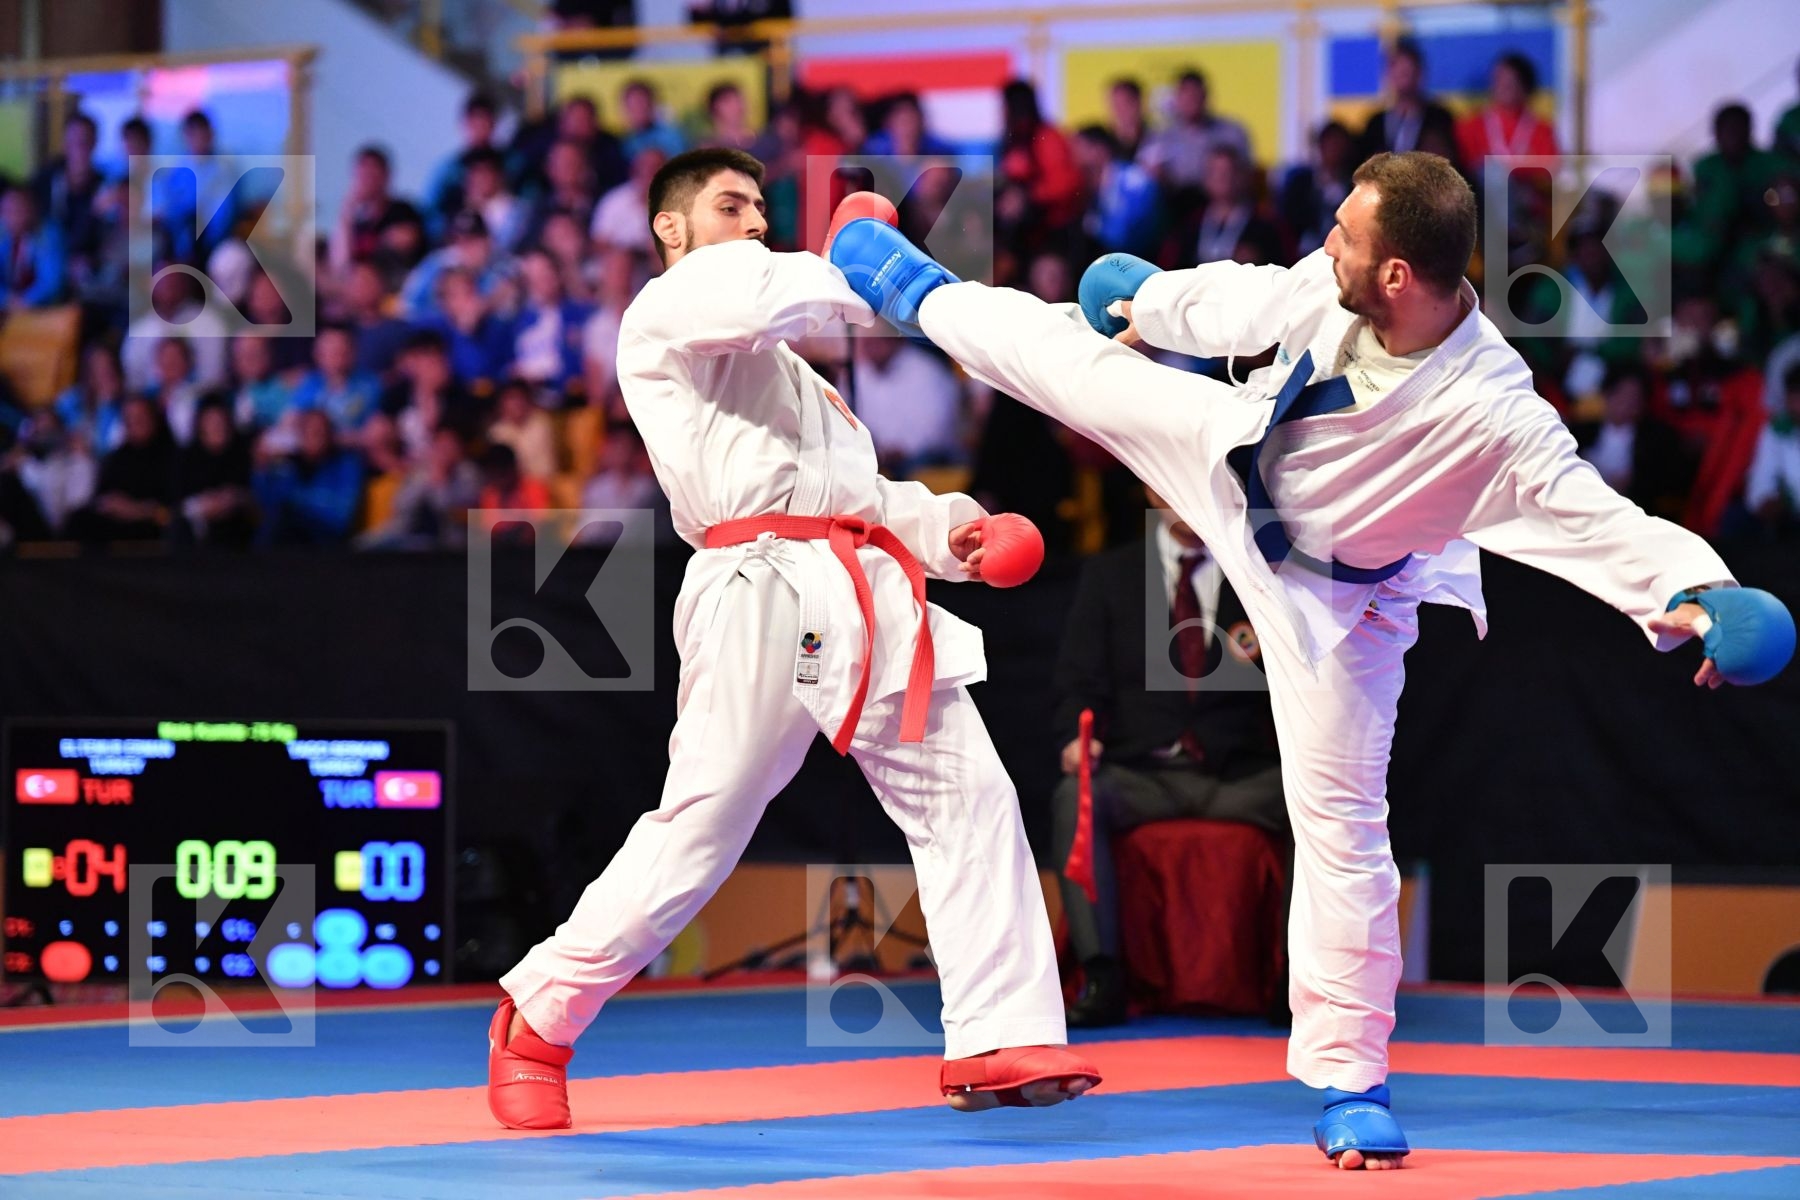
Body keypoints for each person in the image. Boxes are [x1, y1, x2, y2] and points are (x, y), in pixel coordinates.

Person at [830, 150, 1791, 1169]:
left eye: (1347, 237)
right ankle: (908, 283)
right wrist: (1153, 302)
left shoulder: (1496, 416)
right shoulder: (1339, 285)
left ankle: (1349, 1079)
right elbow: (1247, 304)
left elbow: (1595, 517)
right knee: (1075, 367)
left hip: (1339, 602)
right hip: (1236, 463)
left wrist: (1698, 590)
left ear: (1396, 279)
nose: (1327, 242)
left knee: (1344, 826)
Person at [487, 149, 1101, 1131]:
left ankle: (997, 1034)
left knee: (969, 793)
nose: (752, 222)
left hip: (861, 590)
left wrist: (958, 535)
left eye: (760, 210)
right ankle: (539, 1014)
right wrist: (868, 258)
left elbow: (865, 502)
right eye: (729, 206)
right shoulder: (671, 312)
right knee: (700, 831)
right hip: (753, 587)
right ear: (671, 229)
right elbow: (765, 289)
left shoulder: (801, 381)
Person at [1051, 489, 1284, 1029]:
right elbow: (1076, 683)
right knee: (1075, 796)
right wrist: (1075, 736)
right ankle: (1103, 975)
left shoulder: (1262, 574)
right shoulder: (1111, 576)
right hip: (1143, 773)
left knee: (1317, 802)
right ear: (1153, 485)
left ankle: (1296, 980)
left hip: (1239, 777)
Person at [1356, 39, 1456, 165]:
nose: (1404, 76)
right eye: (1399, 71)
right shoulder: (1376, 124)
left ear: (1419, 73)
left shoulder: (1439, 119)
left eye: (1408, 71)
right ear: (1388, 74)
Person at [1455, 51, 1558, 173]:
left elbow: (1551, 174)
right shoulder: (1470, 128)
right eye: (1499, 80)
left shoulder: (1542, 131)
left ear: (1526, 86)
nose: (1504, 86)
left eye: (1511, 81)